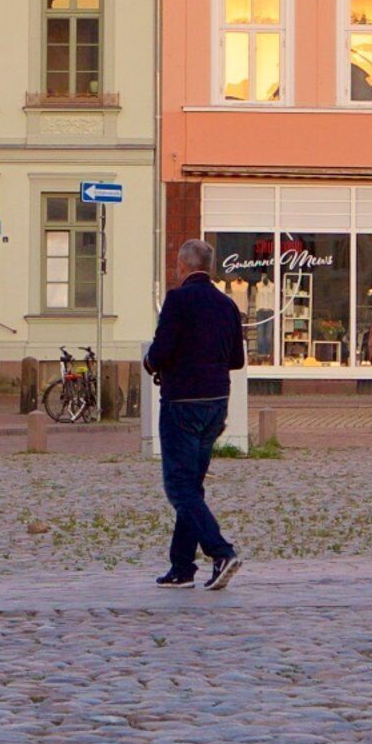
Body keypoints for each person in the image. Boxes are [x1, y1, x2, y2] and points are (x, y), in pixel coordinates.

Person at [142, 237, 247, 590]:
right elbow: (237, 360)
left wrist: (150, 362)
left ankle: (221, 551)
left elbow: (161, 351)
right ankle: (182, 566)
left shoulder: (178, 300)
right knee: (192, 485)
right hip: (217, 402)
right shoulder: (227, 305)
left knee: (179, 486)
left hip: (183, 401)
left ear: (183, 266)